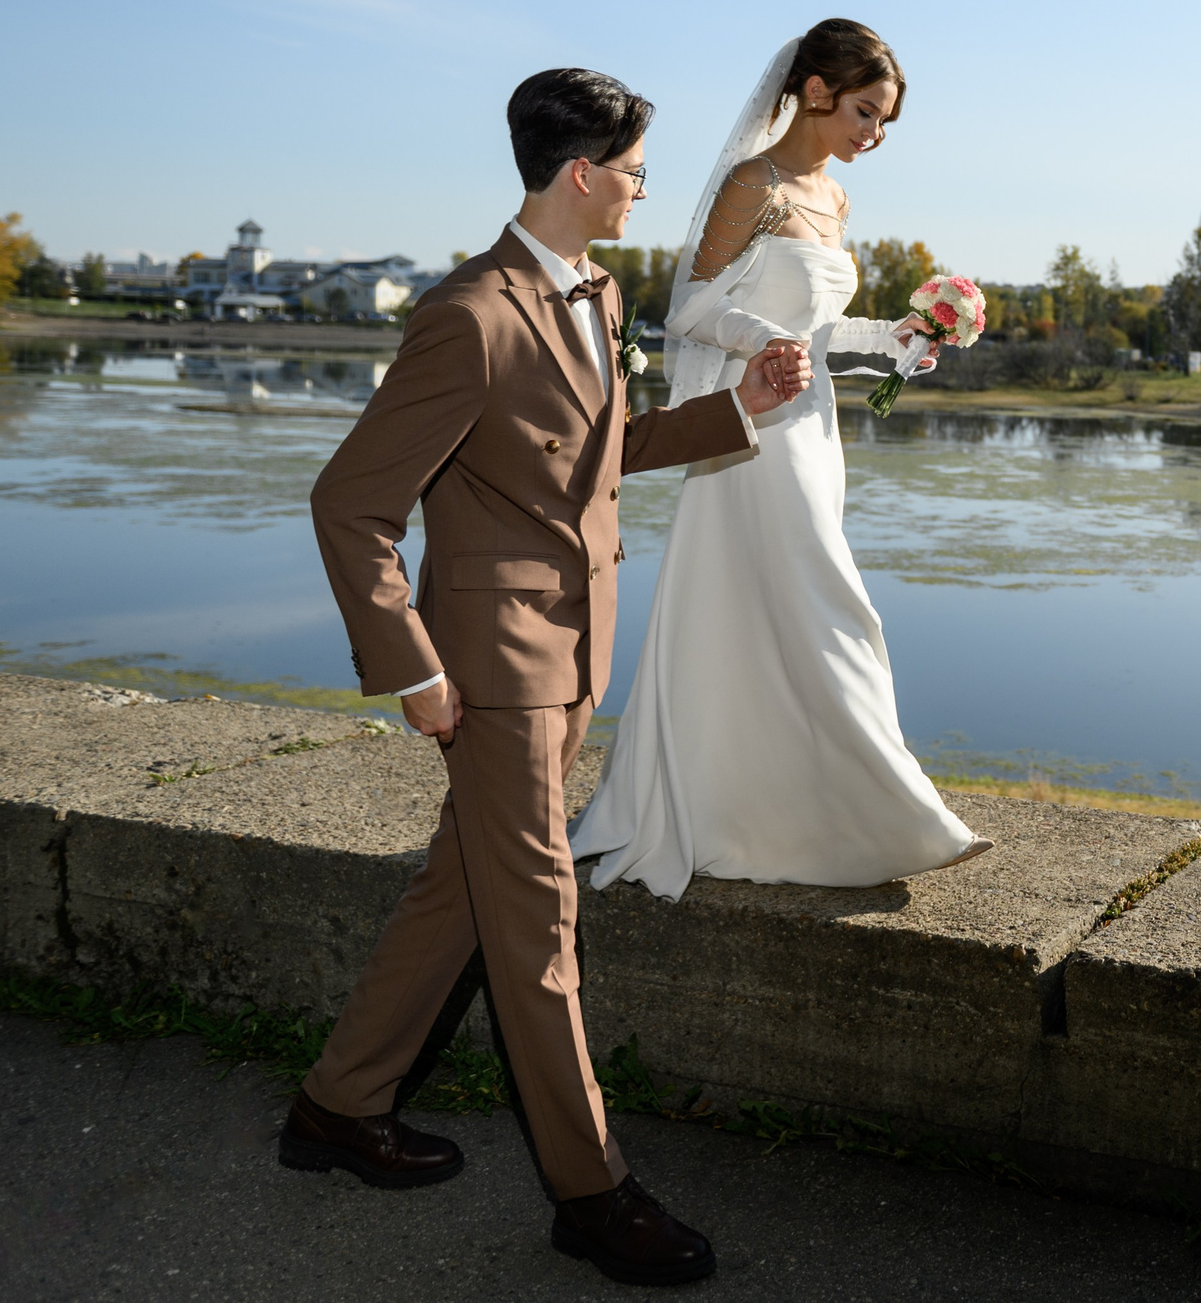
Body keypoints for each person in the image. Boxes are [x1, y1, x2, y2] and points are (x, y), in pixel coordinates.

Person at [290, 68, 811, 1288]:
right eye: (633, 170)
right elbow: (350, 504)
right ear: (581, 173)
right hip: (492, 669)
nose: (642, 188)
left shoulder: (595, 290)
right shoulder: (469, 314)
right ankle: (593, 1192)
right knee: (538, 931)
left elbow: (598, 455)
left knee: (458, 899)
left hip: (576, 651)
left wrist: (736, 410)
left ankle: (336, 1106)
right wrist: (412, 667)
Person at [568, 20, 989, 896]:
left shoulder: (832, 200)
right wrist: (764, 341)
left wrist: (898, 337)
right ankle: (894, 811)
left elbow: (822, 331)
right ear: (816, 88)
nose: (872, 135)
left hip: (811, 427)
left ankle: (781, 809)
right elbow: (689, 307)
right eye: (866, 112)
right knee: (835, 608)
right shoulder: (751, 183)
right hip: (753, 434)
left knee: (778, 615)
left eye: (885, 121)